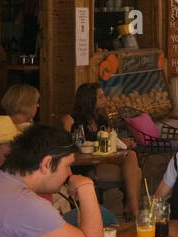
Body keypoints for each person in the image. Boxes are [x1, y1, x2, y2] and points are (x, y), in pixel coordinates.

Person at [60, 82, 143, 218]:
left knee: (131, 155)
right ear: (90, 100)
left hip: (101, 162)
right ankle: (132, 209)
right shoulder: (74, 121)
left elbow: (105, 144)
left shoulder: (100, 120)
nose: (105, 99)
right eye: (101, 97)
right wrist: (66, 128)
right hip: (85, 167)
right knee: (136, 173)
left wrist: (118, 142)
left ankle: (132, 208)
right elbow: (65, 146)